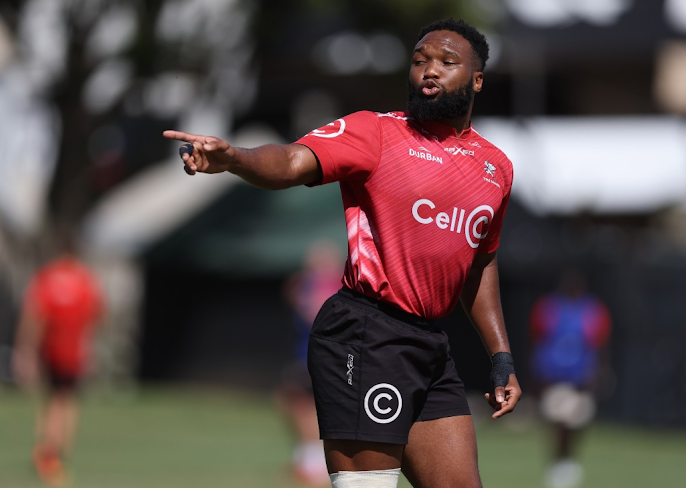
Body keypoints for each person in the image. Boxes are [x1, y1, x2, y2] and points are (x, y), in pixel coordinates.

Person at [164, 17, 521, 488]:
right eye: (419, 62)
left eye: (446, 63)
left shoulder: (497, 167)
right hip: (366, 333)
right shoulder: (375, 133)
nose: (429, 71)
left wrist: (501, 356)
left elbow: (480, 263)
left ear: (476, 79)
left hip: (430, 346)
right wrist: (236, 159)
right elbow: (291, 161)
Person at [13, 242, 105, 487]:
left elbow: (33, 316)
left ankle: (47, 453)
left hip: (49, 348)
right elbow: (95, 319)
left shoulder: (46, 277)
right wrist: (91, 351)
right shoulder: (86, 280)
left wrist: (26, 351)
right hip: (73, 351)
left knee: (51, 400)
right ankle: (59, 454)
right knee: (68, 402)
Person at [529, 268, 612, 488]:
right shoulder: (549, 308)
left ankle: (567, 462)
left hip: (580, 382)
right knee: (558, 422)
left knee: (576, 424)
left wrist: (599, 375)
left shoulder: (592, 311)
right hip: (554, 379)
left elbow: (600, 345)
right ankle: (559, 463)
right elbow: (539, 340)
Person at [276, 240, 344, 486]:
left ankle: (315, 461)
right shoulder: (309, 282)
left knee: (308, 404)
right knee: (292, 400)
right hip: (305, 353)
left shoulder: (335, 283)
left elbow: (315, 313)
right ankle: (308, 457)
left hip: (324, 356)